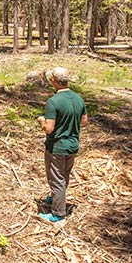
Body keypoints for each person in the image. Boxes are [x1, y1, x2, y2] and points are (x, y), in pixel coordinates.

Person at [36, 67, 87, 223]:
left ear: (53, 81)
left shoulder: (53, 102)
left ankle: (58, 214)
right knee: (64, 175)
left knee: (56, 179)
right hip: (72, 145)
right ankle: (56, 198)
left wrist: (41, 121)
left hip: (57, 147)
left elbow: (49, 129)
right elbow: (84, 121)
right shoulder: (78, 98)